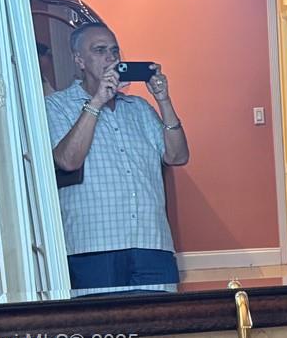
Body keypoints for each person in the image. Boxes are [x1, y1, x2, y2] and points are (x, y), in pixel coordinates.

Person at [46, 23, 190, 294]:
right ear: (79, 60)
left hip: (152, 243)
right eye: (100, 50)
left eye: (114, 51)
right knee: (101, 323)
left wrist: (164, 100)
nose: (111, 58)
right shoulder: (56, 106)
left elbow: (178, 156)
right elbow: (67, 160)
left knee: (163, 321)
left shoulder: (140, 108)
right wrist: (97, 101)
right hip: (92, 249)